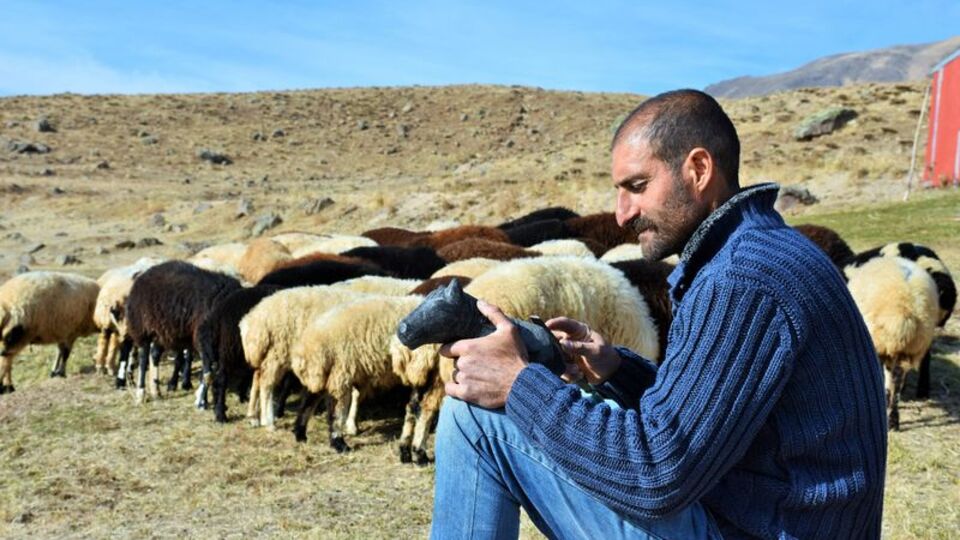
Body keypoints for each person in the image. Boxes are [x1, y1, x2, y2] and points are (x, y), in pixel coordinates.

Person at [430, 89, 888, 539]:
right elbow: (714, 414)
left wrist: (518, 384)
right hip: (765, 517)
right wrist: (616, 369)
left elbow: (659, 475)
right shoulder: (761, 251)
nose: (622, 214)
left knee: (476, 421)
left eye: (637, 186)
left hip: (757, 527)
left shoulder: (742, 277)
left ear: (698, 169)